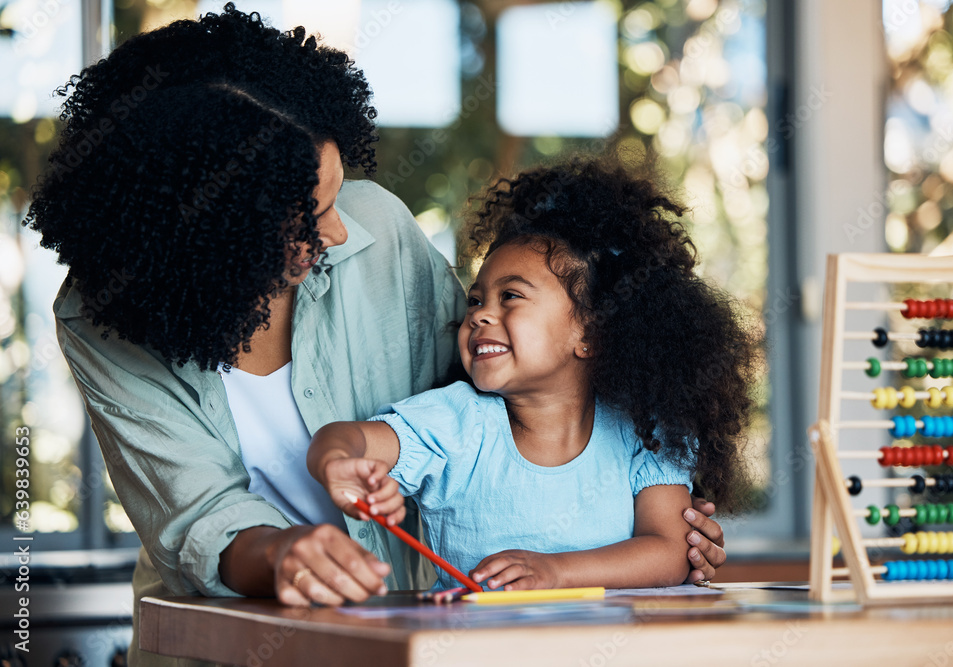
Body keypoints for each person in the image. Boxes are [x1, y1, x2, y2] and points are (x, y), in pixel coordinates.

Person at [24, 5, 728, 665]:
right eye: (311, 213)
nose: (337, 229)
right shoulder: (103, 318)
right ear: (215, 231)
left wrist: (656, 528)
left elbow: (495, 390)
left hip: (396, 637)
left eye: (337, 194)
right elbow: (198, 517)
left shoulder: (376, 230)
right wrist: (283, 553)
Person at [309, 158, 759, 591]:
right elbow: (345, 438)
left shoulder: (646, 433)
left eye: (510, 296)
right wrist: (337, 461)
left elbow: (668, 552)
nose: (481, 314)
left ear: (593, 334)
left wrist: (555, 572)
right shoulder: (454, 422)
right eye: (475, 300)